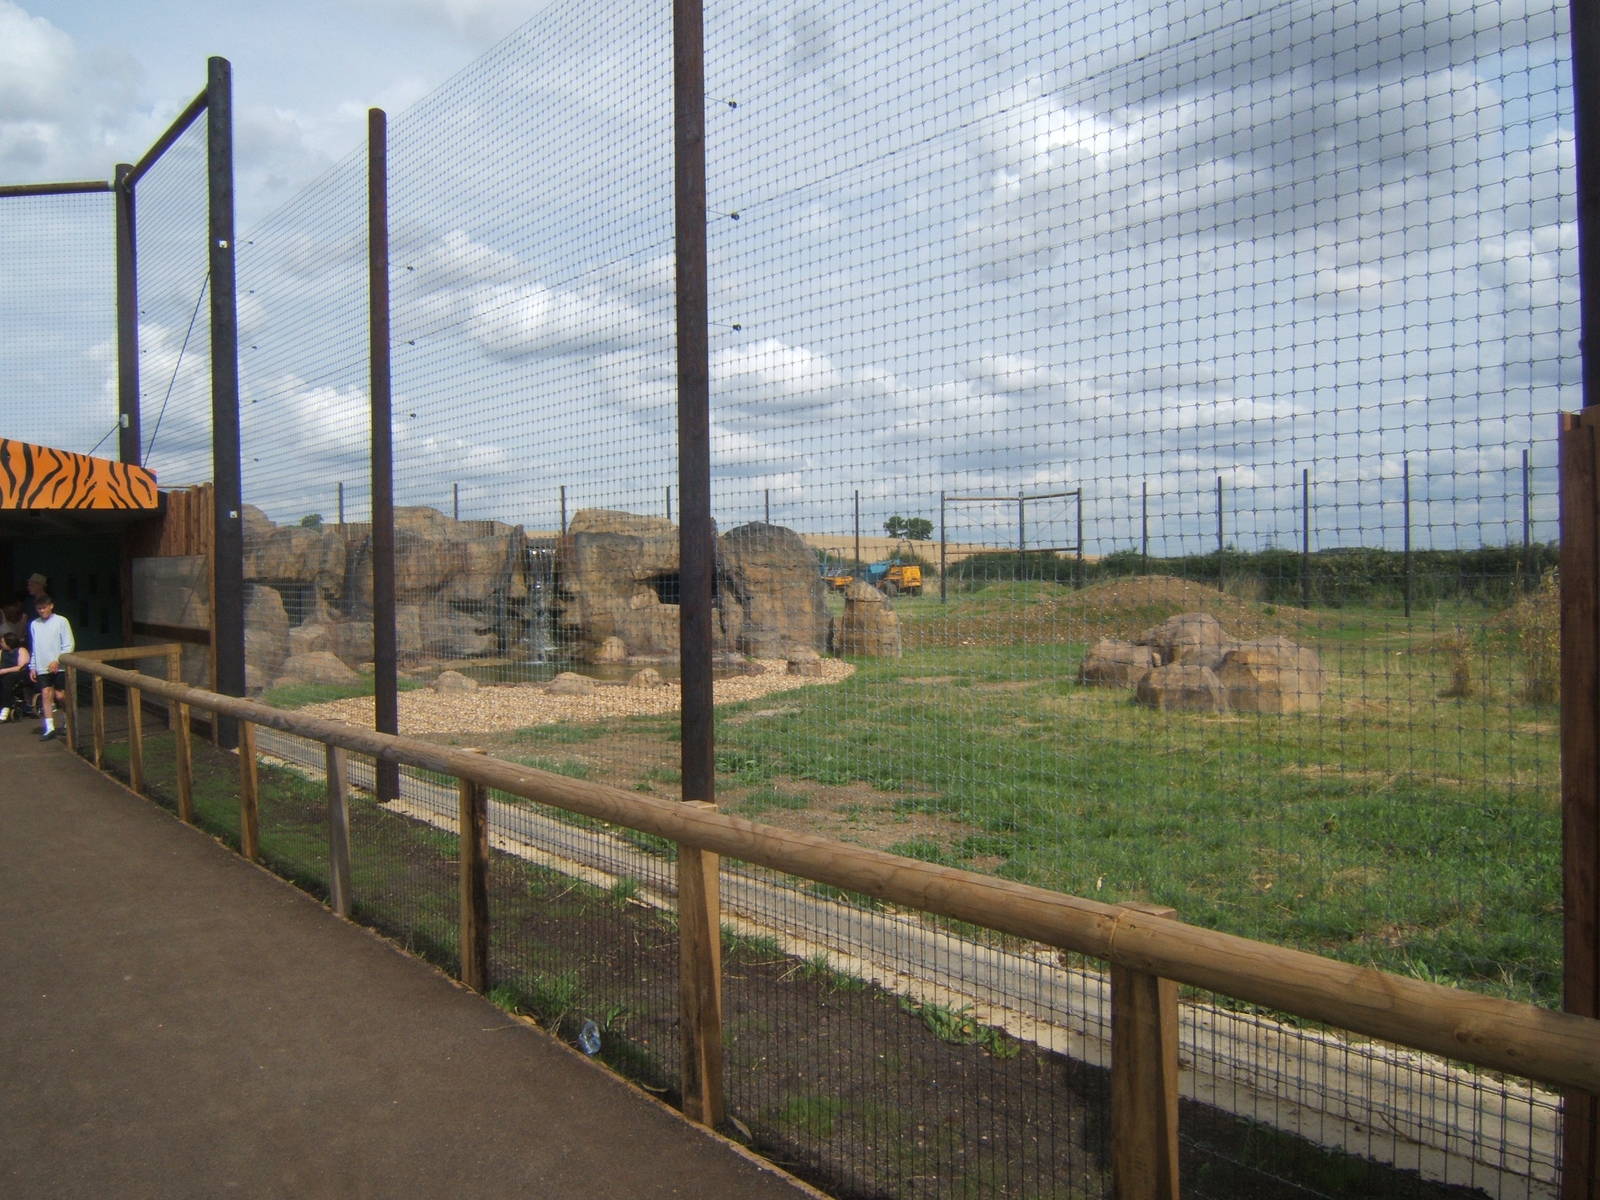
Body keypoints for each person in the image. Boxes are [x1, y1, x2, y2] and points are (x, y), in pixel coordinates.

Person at [28, 594, 73, 742]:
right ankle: (49, 727)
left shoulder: (61, 621)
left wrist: (58, 660)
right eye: (39, 609)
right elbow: (35, 646)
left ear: (51, 606)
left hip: (59, 666)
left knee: (60, 695)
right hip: (42, 665)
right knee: (46, 694)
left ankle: (67, 720)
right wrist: (33, 666)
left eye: (44, 608)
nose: (42, 611)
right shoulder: (34, 624)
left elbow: (69, 644)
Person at [0, 632, 29, 722]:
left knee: (7, 680)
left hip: (18, 674)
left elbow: (21, 667)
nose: (1, 644)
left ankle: (6, 707)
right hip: (4, 673)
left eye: (2, 642)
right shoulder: (1, 652)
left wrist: (4, 671)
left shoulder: (21, 650)